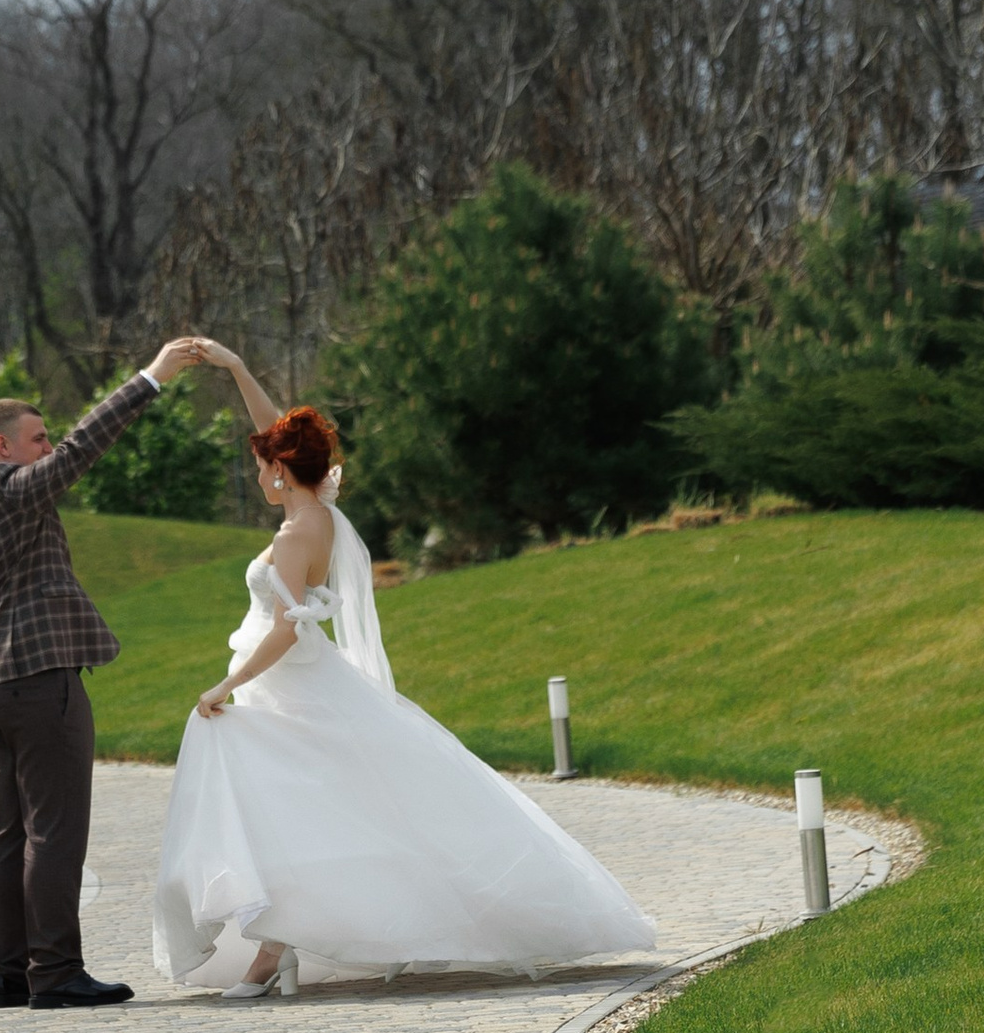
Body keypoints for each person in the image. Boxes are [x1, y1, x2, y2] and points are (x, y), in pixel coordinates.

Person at [151, 343, 657, 993]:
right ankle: (276, 946)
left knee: (301, 811)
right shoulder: (317, 512)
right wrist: (237, 369)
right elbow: (279, 433)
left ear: (280, 469)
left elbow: (286, 627)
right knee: (297, 812)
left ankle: (274, 949)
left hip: (287, 683)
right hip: (296, 682)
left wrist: (228, 683)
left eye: (261, 465)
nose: (257, 474)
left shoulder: (292, 536)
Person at [0, 342, 205, 1011]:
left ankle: (10, 969)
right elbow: (79, 455)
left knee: (9, 829)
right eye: (37, 439)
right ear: (1, 445)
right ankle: (56, 969)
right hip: (36, 680)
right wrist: (151, 378)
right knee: (54, 828)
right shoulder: (4, 489)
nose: (48, 446)